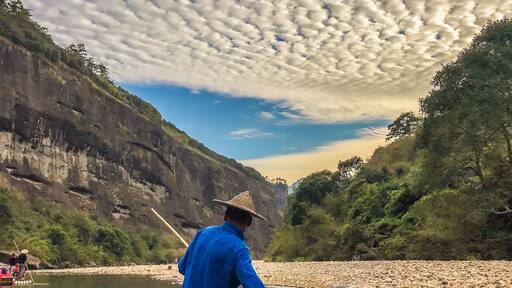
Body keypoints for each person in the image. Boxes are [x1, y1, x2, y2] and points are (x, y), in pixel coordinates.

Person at [178, 191, 267, 288]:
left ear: (225, 216)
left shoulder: (203, 233)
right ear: (248, 222)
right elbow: (253, 284)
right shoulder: (239, 249)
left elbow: (182, 268)